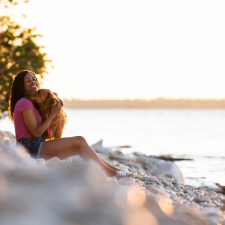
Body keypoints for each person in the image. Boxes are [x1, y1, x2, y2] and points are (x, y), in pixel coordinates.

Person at [8, 70, 132, 178]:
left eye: (34, 79)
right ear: (21, 85)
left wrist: (54, 111)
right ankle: (111, 173)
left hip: (36, 145)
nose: (32, 82)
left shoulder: (30, 103)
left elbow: (43, 133)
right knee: (80, 140)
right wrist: (52, 114)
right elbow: (35, 133)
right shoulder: (24, 102)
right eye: (27, 80)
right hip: (31, 148)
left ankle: (115, 171)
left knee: (80, 148)